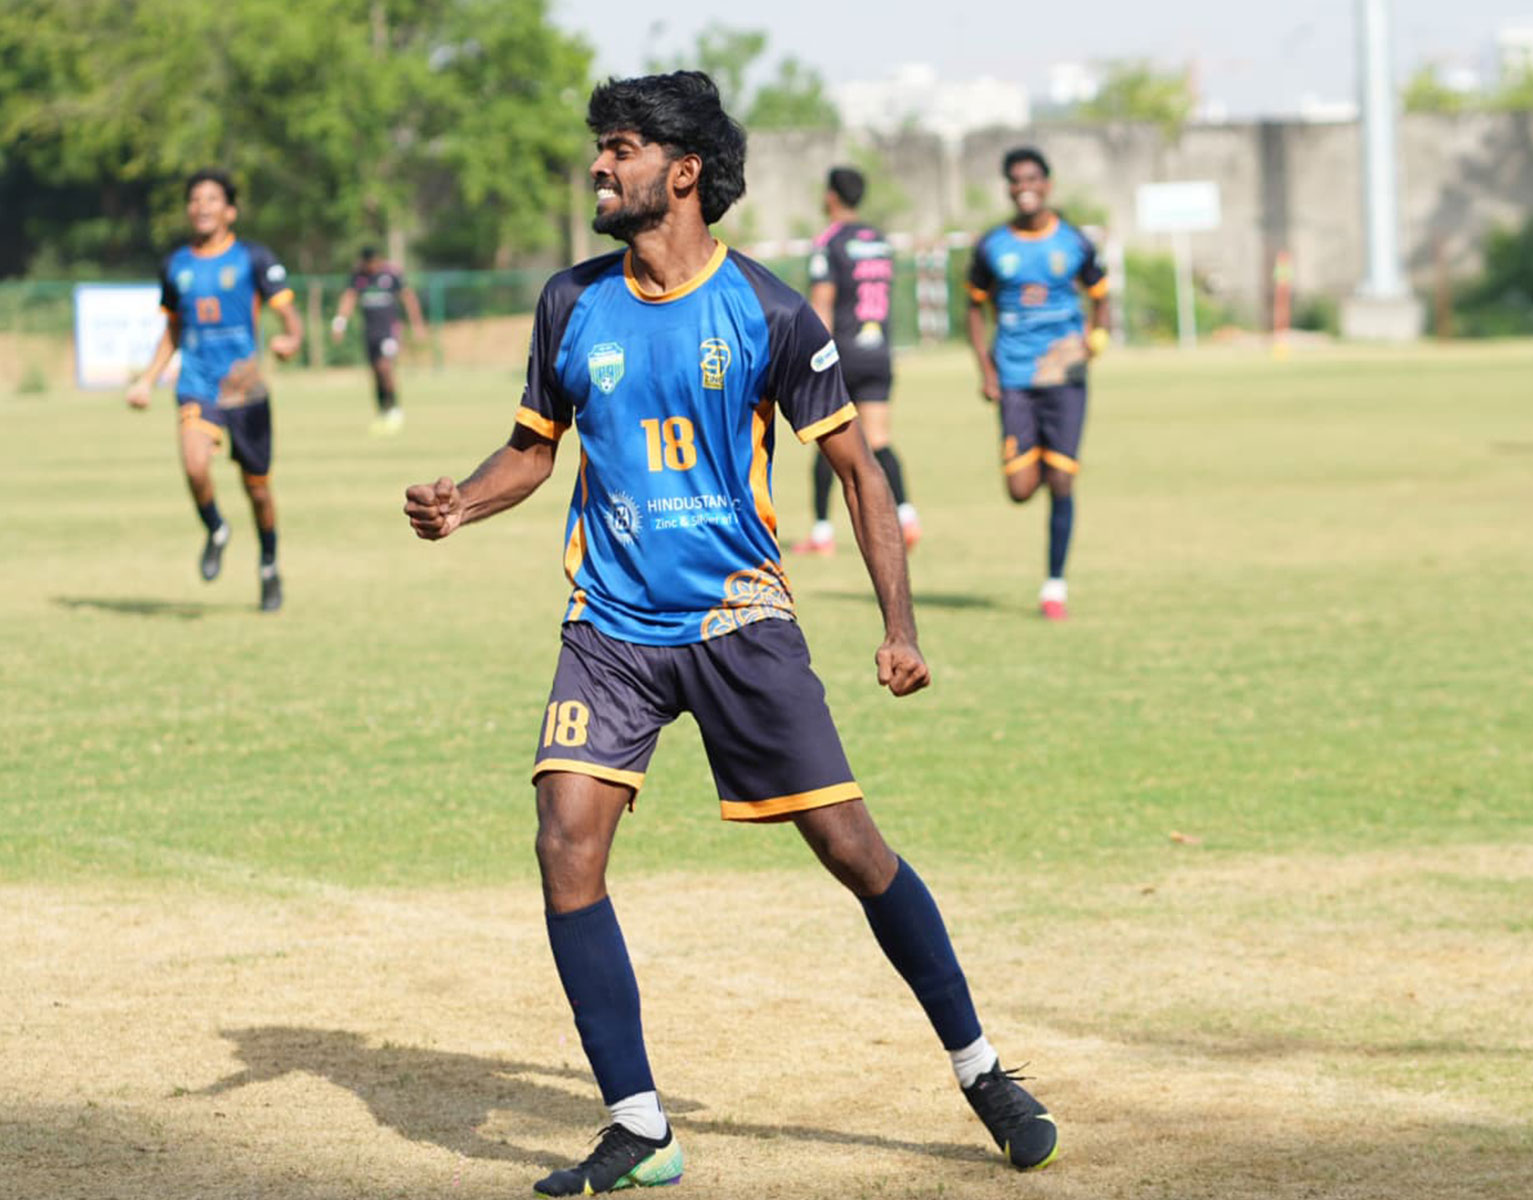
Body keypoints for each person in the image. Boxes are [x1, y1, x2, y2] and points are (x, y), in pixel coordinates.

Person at [404, 72, 1058, 1197]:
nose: (599, 167)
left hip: (737, 619)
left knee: (852, 850)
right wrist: (463, 501)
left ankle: (981, 1068)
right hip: (609, 624)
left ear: (683, 171)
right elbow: (533, 448)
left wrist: (899, 627)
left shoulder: (767, 310)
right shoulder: (570, 302)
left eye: (620, 148)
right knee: (565, 842)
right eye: (601, 148)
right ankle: (639, 1127)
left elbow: (856, 471)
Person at [126, 168, 303, 613]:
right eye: (194, 199)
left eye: (211, 199)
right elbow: (173, 330)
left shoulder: (253, 258)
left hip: (244, 388)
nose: (201, 206)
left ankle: (269, 565)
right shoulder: (175, 265)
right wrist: (148, 378)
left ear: (230, 211)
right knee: (194, 464)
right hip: (197, 384)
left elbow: (289, 318)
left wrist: (291, 340)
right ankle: (216, 528)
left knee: (258, 490)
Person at [965, 147, 1111, 621]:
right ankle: (1045, 459)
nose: (1024, 187)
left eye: (1031, 179)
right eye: (1016, 180)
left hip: (1064, 371)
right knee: (1021, 488)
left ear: (1047, 184)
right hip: (1015, 375)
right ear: (1009, 188)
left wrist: (1098, 336)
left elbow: (1101, 293)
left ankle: (1054, 586)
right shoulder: (992, 246)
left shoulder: (1073, 241)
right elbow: (973, 308)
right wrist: (986, 370)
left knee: (1063, 480)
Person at [791, 166, 919, 556]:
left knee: (828, 440)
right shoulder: (879, 240)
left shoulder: (830, 242)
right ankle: (907, 516)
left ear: (831, 196)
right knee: (878, 440)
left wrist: (810, 359)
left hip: (843, 354)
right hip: (878, 352)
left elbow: (822, 305)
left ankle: (822, 532)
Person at [331, 245, 428, 434]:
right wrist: (339, 323)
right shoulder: (359, 277)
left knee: (385, 367)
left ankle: (395, 409)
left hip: (389, 331)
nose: (372, 266)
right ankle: (383, 410)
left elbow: (408, 297)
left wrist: (417, 324)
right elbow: (349, 298)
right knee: (376, 372)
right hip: (370, 332)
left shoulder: (391, 275)